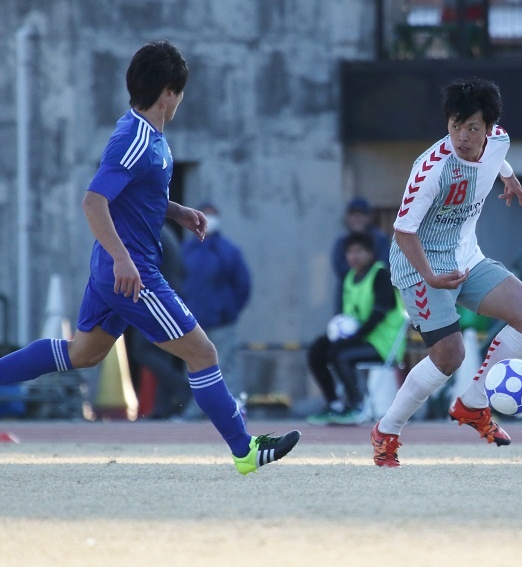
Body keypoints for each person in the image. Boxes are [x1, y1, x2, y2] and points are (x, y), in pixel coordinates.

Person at [0, 40, 299, 474]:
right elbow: (93, 202)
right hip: (132, 275)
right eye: (180, 93)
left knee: (82, 354)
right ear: (169, 94)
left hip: (115, 271)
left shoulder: (148, 136)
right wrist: (123, 260)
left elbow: (134, 195)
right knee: (203, 353)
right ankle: (245, 450)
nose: (180, 101)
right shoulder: (137, 138)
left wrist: (177, 212)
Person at [371, 77, 522, 467]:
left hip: (466, 257)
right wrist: (431, 277)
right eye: (455, 125)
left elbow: (495, 153)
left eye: (472, 127)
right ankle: (387, 430)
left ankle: (473, 404)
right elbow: (402, 232)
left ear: (488, 128)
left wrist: (507, 175)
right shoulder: (431, 169)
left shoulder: (499, 140)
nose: (462, 136)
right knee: (449, 355)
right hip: (419, 265)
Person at [307, 232, 407, 426]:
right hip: (362, 338)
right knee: (317, 350)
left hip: (383, 344)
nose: (354, 256)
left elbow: (378, 315)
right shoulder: (349, 278)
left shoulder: (381, 275)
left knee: (341, 355)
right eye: (350, 252)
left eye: (359, 251)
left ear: (370, 253)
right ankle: (334, 404)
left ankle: (355, 405)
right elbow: (349, 317)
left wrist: (353, 339)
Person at [180, 202, 252, 419]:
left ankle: (233, 411)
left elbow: (243, 285)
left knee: (226, 367)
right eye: (205, 215)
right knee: (193, 367)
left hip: (222, 322)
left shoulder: (228, 251)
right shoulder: (186, 249)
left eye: (213, 216)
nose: (209, 220)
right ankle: (195, 412)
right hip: (192, 323)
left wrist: (228, 310)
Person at [126, 224, 191, 419]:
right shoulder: (166, 232)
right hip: (168, 297)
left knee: (143, 351)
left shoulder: (152, 233)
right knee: (163, 353)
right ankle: (163, 407)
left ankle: (182, 387)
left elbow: (145, 267)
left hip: (155, 299)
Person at [331, 197, 391, 312]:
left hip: (374, 296)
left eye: (361, 215)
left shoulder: (380, 238)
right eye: (353, 215)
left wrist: (362, 269)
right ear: (347, 218)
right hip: (347, 297)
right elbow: (339, 268)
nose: (357, 219)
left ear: (369, 217)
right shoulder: (342, 240)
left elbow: (383, 267)